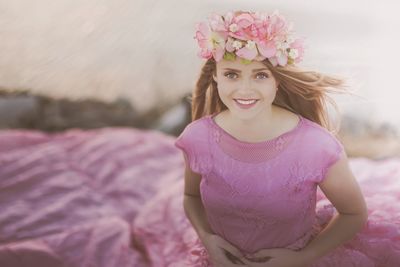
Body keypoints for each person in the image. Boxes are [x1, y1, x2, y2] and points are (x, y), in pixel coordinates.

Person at [172, 10, 399, 267]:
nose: (245, 89)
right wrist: (207, 238)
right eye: (232, 74)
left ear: (277, 80)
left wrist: (302, 258)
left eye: (260, 75)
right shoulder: (197, 138)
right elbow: (191, 197)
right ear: (215, 75)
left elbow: (353, 213)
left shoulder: (316, 146)